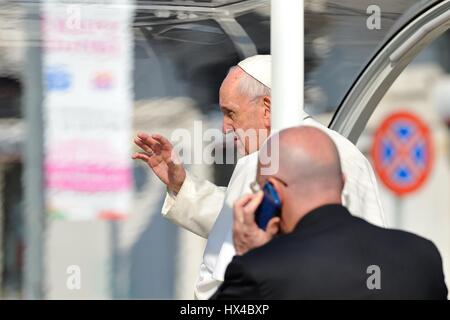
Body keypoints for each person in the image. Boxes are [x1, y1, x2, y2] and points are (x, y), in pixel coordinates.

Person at [132, 55, 386, 299]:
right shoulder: (345, 151)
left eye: (231, 113)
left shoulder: (262, 159)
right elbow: (243, 221)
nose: (225, 127)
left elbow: (223, 267)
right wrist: (182, 185)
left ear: (266, 108)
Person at [211, 126, 448, 300]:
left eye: (260, 188)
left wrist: (250, 255)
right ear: (343, 182)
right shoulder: (422, 256)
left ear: (273, 190)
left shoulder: (260, 272)